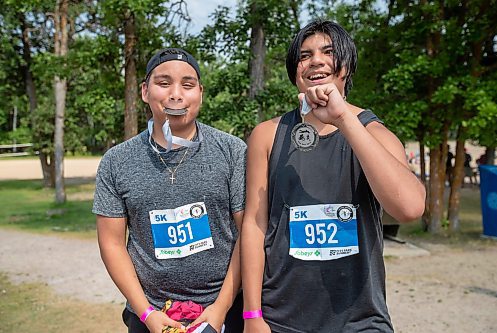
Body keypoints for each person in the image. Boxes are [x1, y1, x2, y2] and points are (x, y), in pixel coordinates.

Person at [240, 20, 426, 333]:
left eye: (328, 52)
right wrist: (252, 315)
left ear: (346, 65)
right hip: (281, 319)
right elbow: (254, 226)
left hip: (359, 320)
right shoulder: (267, 136)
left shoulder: (375, 133)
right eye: (304, 55)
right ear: (294, 70)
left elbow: (409, 209)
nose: (316, 60)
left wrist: (342, 117)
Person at [93, 48, 246, 333]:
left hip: (224, 311)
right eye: (164, 83)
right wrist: (147, 313)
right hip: (150, 312)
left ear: (200, 92)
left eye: (187, 85)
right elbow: (112, 245)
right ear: (144, 91)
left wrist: (221, 309)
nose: (176, 94)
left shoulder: (232, 151)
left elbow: (247, 234)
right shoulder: (116, 161)